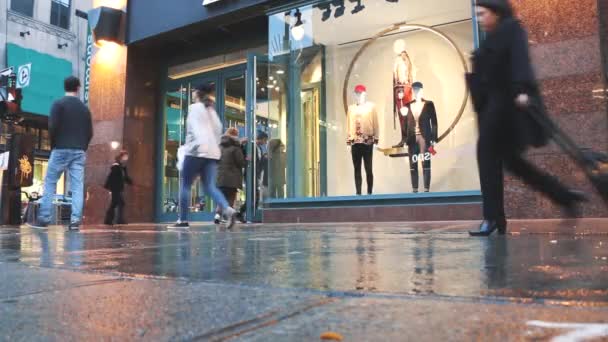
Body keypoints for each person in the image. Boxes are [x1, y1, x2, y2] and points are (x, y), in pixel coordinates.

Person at [467, 0, 585, 237]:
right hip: (493, 107)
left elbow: (520, 60)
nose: (479, 19)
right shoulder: (493, 35)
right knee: (514, 163)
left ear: (496, 12)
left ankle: (492, 218)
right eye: (477, 15)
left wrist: (522, 89)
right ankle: (564, 196)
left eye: (482, 14)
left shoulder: (512, 29)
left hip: (504, 107)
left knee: (487, 155)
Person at [169, 84, 237, 229]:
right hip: (212, 153)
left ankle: (183, 220)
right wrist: (213, 146)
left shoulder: (195, 108)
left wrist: (196, 146)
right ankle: (228, 209)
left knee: (186, 185)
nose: (192, 93)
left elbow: (196, 129)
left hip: (196, 151)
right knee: (210, 186)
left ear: (197, 93)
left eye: (193, 91)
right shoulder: (211, 109)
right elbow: (219, 129)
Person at [29, 76, 93, 230]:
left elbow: (53, 127)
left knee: (50, 182)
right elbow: (90, 132)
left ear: (65, 87)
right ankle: (75, 221)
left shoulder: (58, 104)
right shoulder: (85, 109)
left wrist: (54, 145)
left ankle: (44, 218)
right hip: (78, 151)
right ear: (78, 88)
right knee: (77, 186)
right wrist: (82, 147)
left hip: (60, 148)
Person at [214, 127, 245, 224]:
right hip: (232, 177)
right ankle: (228, 217)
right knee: (231, 196)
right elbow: (240, 162)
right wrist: (246, 161)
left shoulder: (220, 147)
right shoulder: (235, 148)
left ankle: (217, 215)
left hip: (220, 176)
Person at [104, 150, 132, 225]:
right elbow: (113, 178)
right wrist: (111, 188)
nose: (127, 158)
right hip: (115, 188)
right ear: (121, 156)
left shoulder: (123, 167)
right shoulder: (116, 166)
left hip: (118, 188)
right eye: (126, 156)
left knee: (116, 203)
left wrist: (131, 183)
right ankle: (113, 220)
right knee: (118, 203)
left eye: (127, 156)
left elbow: (125, 177)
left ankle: (111, 220)